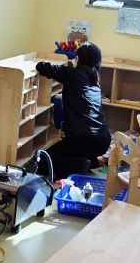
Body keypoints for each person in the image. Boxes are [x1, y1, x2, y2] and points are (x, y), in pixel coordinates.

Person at [35, 43, 111, 181]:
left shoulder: (74, 74)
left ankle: (80, 164)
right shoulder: (95, 82)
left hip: (83, 139)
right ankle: (91, 161)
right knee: (69, 151)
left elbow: (42, 67)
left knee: (41, 161)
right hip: (103, 140)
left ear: (78, 59)